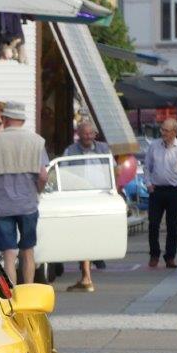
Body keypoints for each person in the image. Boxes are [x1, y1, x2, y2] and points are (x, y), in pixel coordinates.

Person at [0, 101, 49, 285]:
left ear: (5, 119)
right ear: (22, 120)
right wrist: (37, 192)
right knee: (28, 251)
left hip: (2, 206)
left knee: (9, 254)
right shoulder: (36, 141)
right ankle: (29, 290)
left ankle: (12, 295)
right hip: (28, 204)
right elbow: (43, 175)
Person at [62, 122, 111, 291]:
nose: (88, 137)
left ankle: (87, 274)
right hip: (80, 199)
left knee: (95, 235)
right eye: (85, 134)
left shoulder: (104, 149)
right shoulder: (70, 151)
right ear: (79, 134)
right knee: (83, 236)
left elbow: (112, 170)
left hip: (101, 197)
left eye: (91, 134)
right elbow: (64, 174)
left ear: (95, 134)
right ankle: (86, 276)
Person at [143, 118, 177, 268]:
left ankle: (170, 257)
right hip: (156, 190)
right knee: (153, 224)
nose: (163, 133)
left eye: (166, 131)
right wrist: (148, 184)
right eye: (162, 129)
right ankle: (154, 254)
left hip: (174, 191)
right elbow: (147, 167)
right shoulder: (154, 146)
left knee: (172, 226)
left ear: (175, 132)